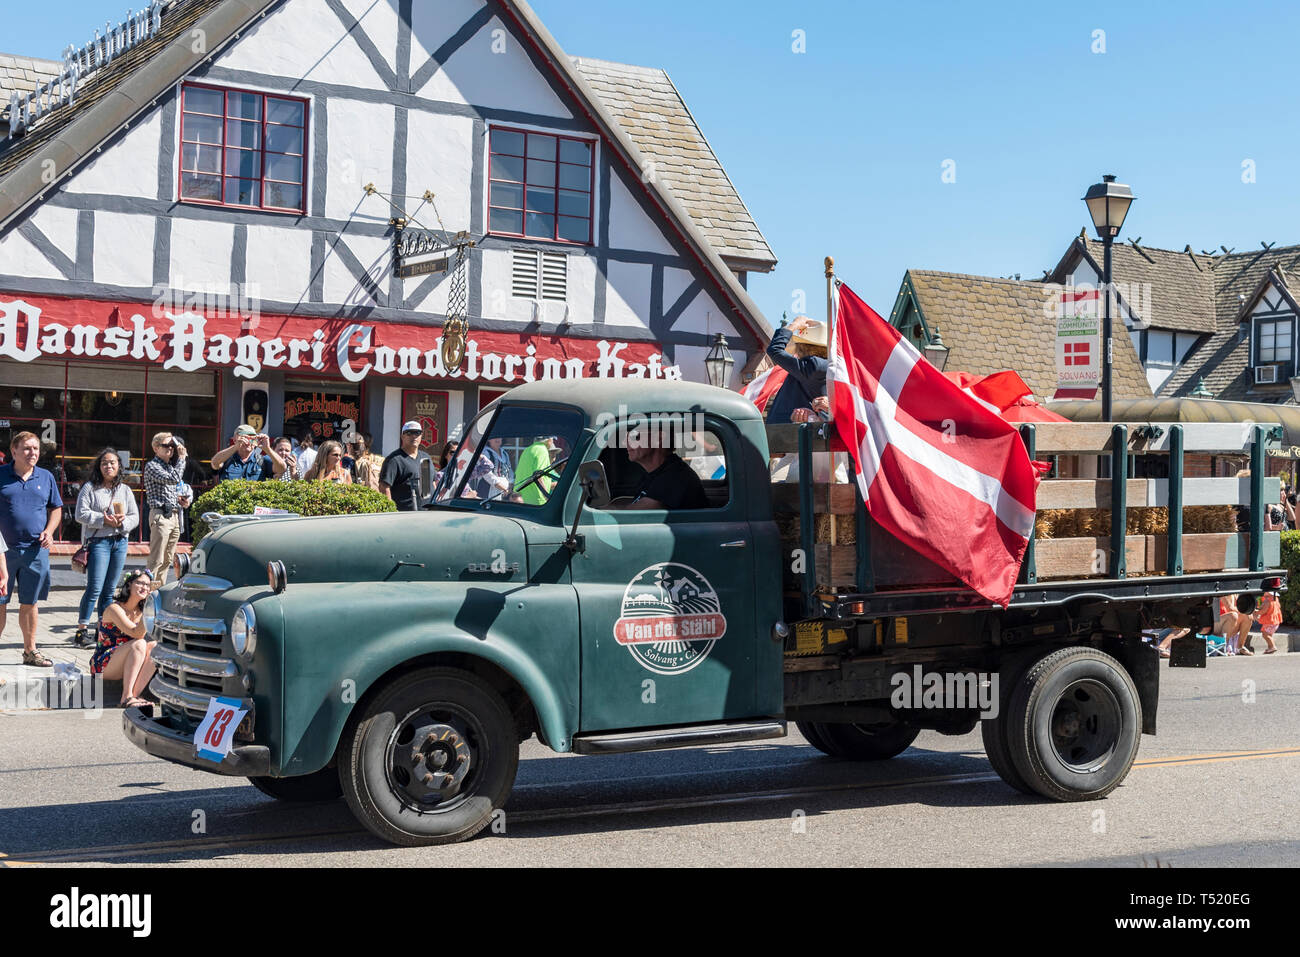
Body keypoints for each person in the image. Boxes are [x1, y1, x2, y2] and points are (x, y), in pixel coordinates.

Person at [0, 431, 61, 667]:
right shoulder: (1, 475)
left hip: (36, 551)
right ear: (13, 451)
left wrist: (50, 530)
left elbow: (55, 508)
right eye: (26, 448)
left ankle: (30, 651)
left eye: (35, 448)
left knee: (30, 603)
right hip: (3, 552)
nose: (32, 453)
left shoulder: (45, 477)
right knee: (0, 602)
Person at [73, 448, 139, 647]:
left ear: (119, 466)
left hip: (120, 541)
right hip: (99, 542)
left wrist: (121, 523)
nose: (108, 466)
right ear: (98, 467)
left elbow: (134, 516)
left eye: (112, 463)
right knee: (95, 588)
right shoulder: (90, 488)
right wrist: (104, 520)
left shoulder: (125, 490)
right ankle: (81, 631)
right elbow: (80, 514)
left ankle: (103, 629)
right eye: (104, 463)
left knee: (110, 590)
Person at [89, 569, 156, 709]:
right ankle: (126, 696)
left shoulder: (141, 611)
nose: (144, 587)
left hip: (127, 658)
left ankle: (133, 696)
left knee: (155, 647)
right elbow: (136, 633)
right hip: (104, 664)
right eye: (140, 583)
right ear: (129, 585)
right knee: (139, 643)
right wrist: (149, 609)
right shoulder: (114, 609)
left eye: (147, 585)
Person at [614, 424, 707, 510]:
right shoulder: (655, 474)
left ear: (658, 438)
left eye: (633, 436)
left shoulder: (676, 476)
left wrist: (602, 513)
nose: (624, 442)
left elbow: (633, 514)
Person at [764, 316, 829, 425]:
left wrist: (794, 325)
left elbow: (775, 350)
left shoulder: (814, 365)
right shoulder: (823, 367)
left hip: (791, 434)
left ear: (802, 347)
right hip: (796, 432)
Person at [379, 421, 434, 511]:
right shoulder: (394, 460)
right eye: (409, 433)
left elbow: (433, 482)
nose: (414, 436)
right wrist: (390, 510)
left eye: (417, 433)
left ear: (421, 436)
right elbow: (384, 487)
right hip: (404, 515)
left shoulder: (426, 457)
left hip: (428, 513)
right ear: (402, 436)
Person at [211, 425, 286, 481]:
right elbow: (214, 463)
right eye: (244, 439)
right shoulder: (227, 458)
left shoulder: (262, 460)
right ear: (234, 440)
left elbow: (282, 469)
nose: (248, 443)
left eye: (252, 439)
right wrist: (236, 446)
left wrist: (268, 449)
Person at [514, 436, 557, 505]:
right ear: (549, 440)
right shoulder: (542, 450)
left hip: (521, 498)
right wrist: (547, 497)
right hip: (536, 500)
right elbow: (538, 475)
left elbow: (518, 473)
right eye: (552, 440)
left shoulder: (527, 450)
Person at [1247, 590, 1282, 655]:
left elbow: (1263, 611)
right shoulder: (1275, 600)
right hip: (1275, 621)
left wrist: (1256, 612)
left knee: (1265, 634)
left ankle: (1272, 646)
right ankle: (1270, 648)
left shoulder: (1267, 601)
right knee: (1269, 635)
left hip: (1269, 621)